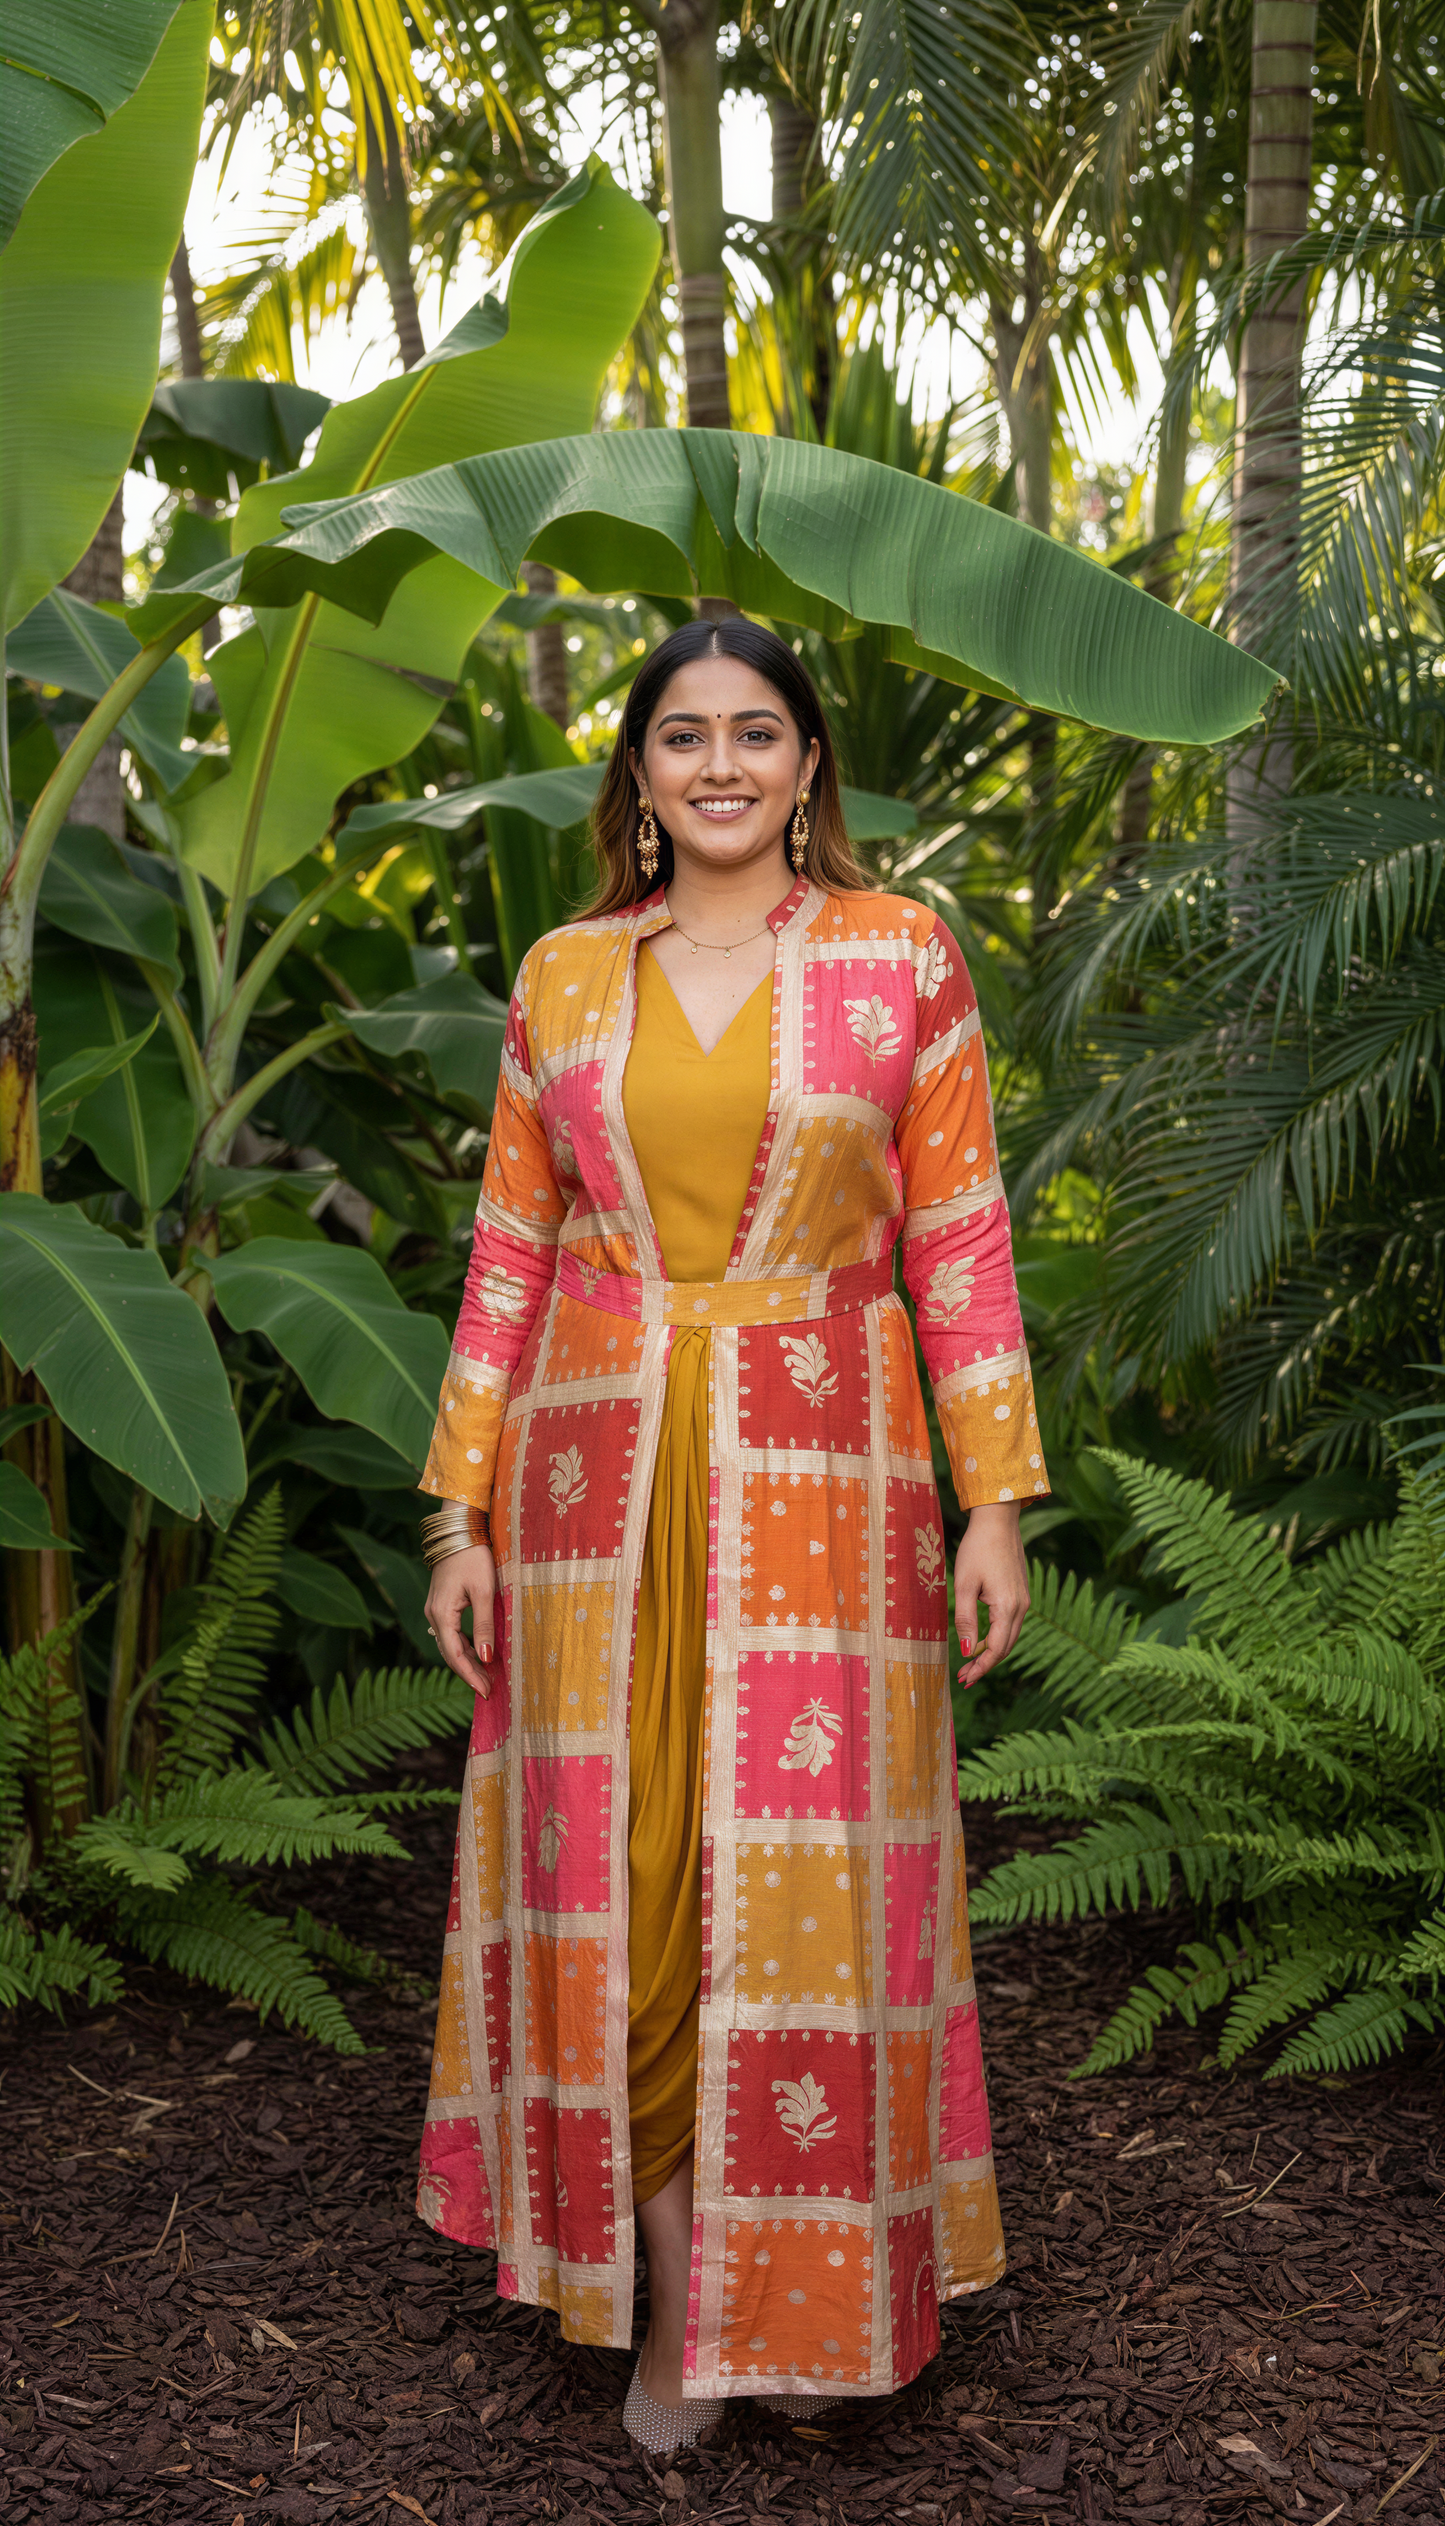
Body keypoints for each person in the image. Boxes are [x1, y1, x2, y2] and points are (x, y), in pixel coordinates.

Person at [416, 619, 1045, 2454]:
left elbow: (965, 1239)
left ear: (807, 767)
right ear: (636, 775)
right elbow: (511, 1257)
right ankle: (685, 2292)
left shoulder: (895, 960)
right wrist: (456, 1512)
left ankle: (816, 2295)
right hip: (588, 1480)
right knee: (616, 1880)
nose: (718, 765)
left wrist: (994, 1498)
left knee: (807, 1897)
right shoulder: (563, 977)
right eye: (681, 735)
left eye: (754, 733)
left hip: (826, 1483)